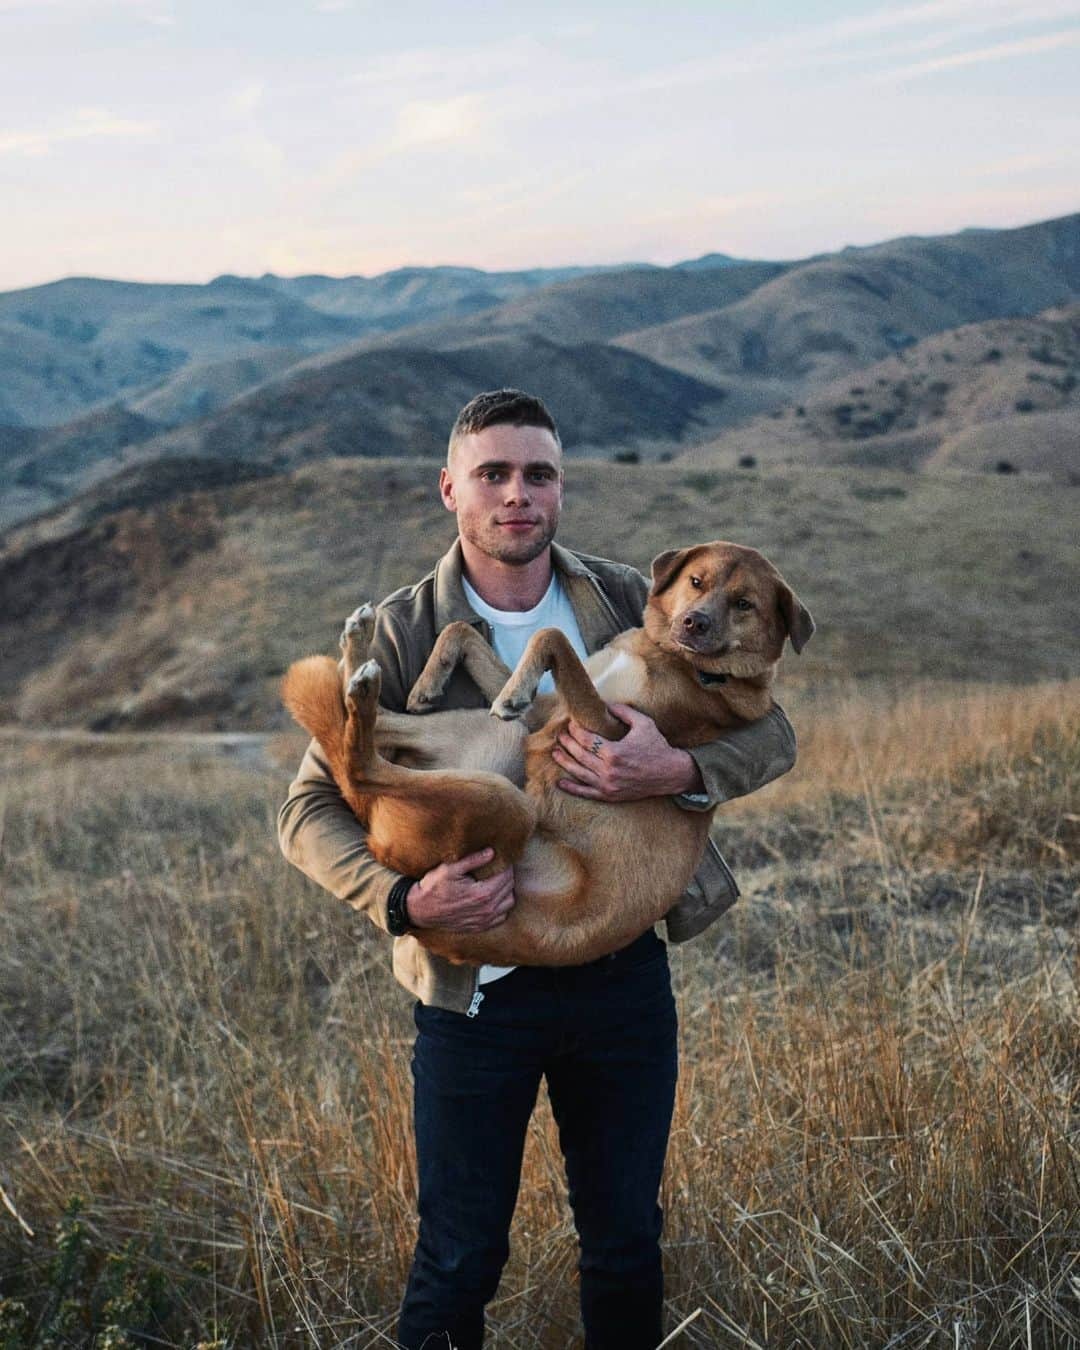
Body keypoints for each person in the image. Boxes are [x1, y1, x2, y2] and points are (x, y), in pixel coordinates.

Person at [277, 389, 797, 1349]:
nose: (518, 495)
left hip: (620, 976)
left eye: (539, 475)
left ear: (561, 489)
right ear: (450, 490)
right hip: (478, 990)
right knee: (459, 1257)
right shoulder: (399, 632)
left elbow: (774, 736)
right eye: (494, 474)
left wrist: (682, 769)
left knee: (627, 1245)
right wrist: (402, 898)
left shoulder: (627, 599)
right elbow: (305, 812)